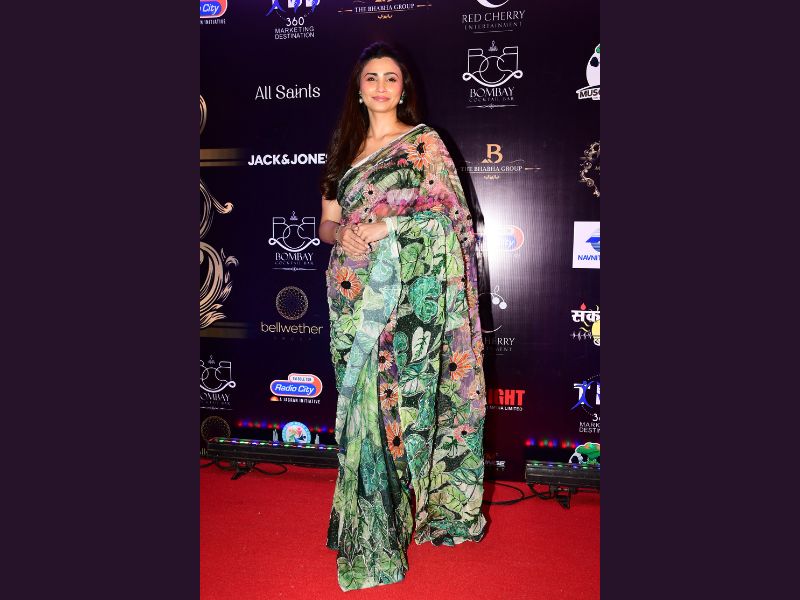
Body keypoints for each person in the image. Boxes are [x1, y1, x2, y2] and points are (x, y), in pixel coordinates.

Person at [318, 42, 487, 591]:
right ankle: (366, 522)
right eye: (372, 77)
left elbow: (451, 221)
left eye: (391, 78)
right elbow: (326, 223)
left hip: (407, 299)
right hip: (351, 291)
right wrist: (343, 233)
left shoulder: (424, 146)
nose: (381, 87)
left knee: (394, 408)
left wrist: (388, 228)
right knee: (359, 406)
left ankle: (384, 533)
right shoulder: (344, 147)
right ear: (359, 88)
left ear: (403, 88)